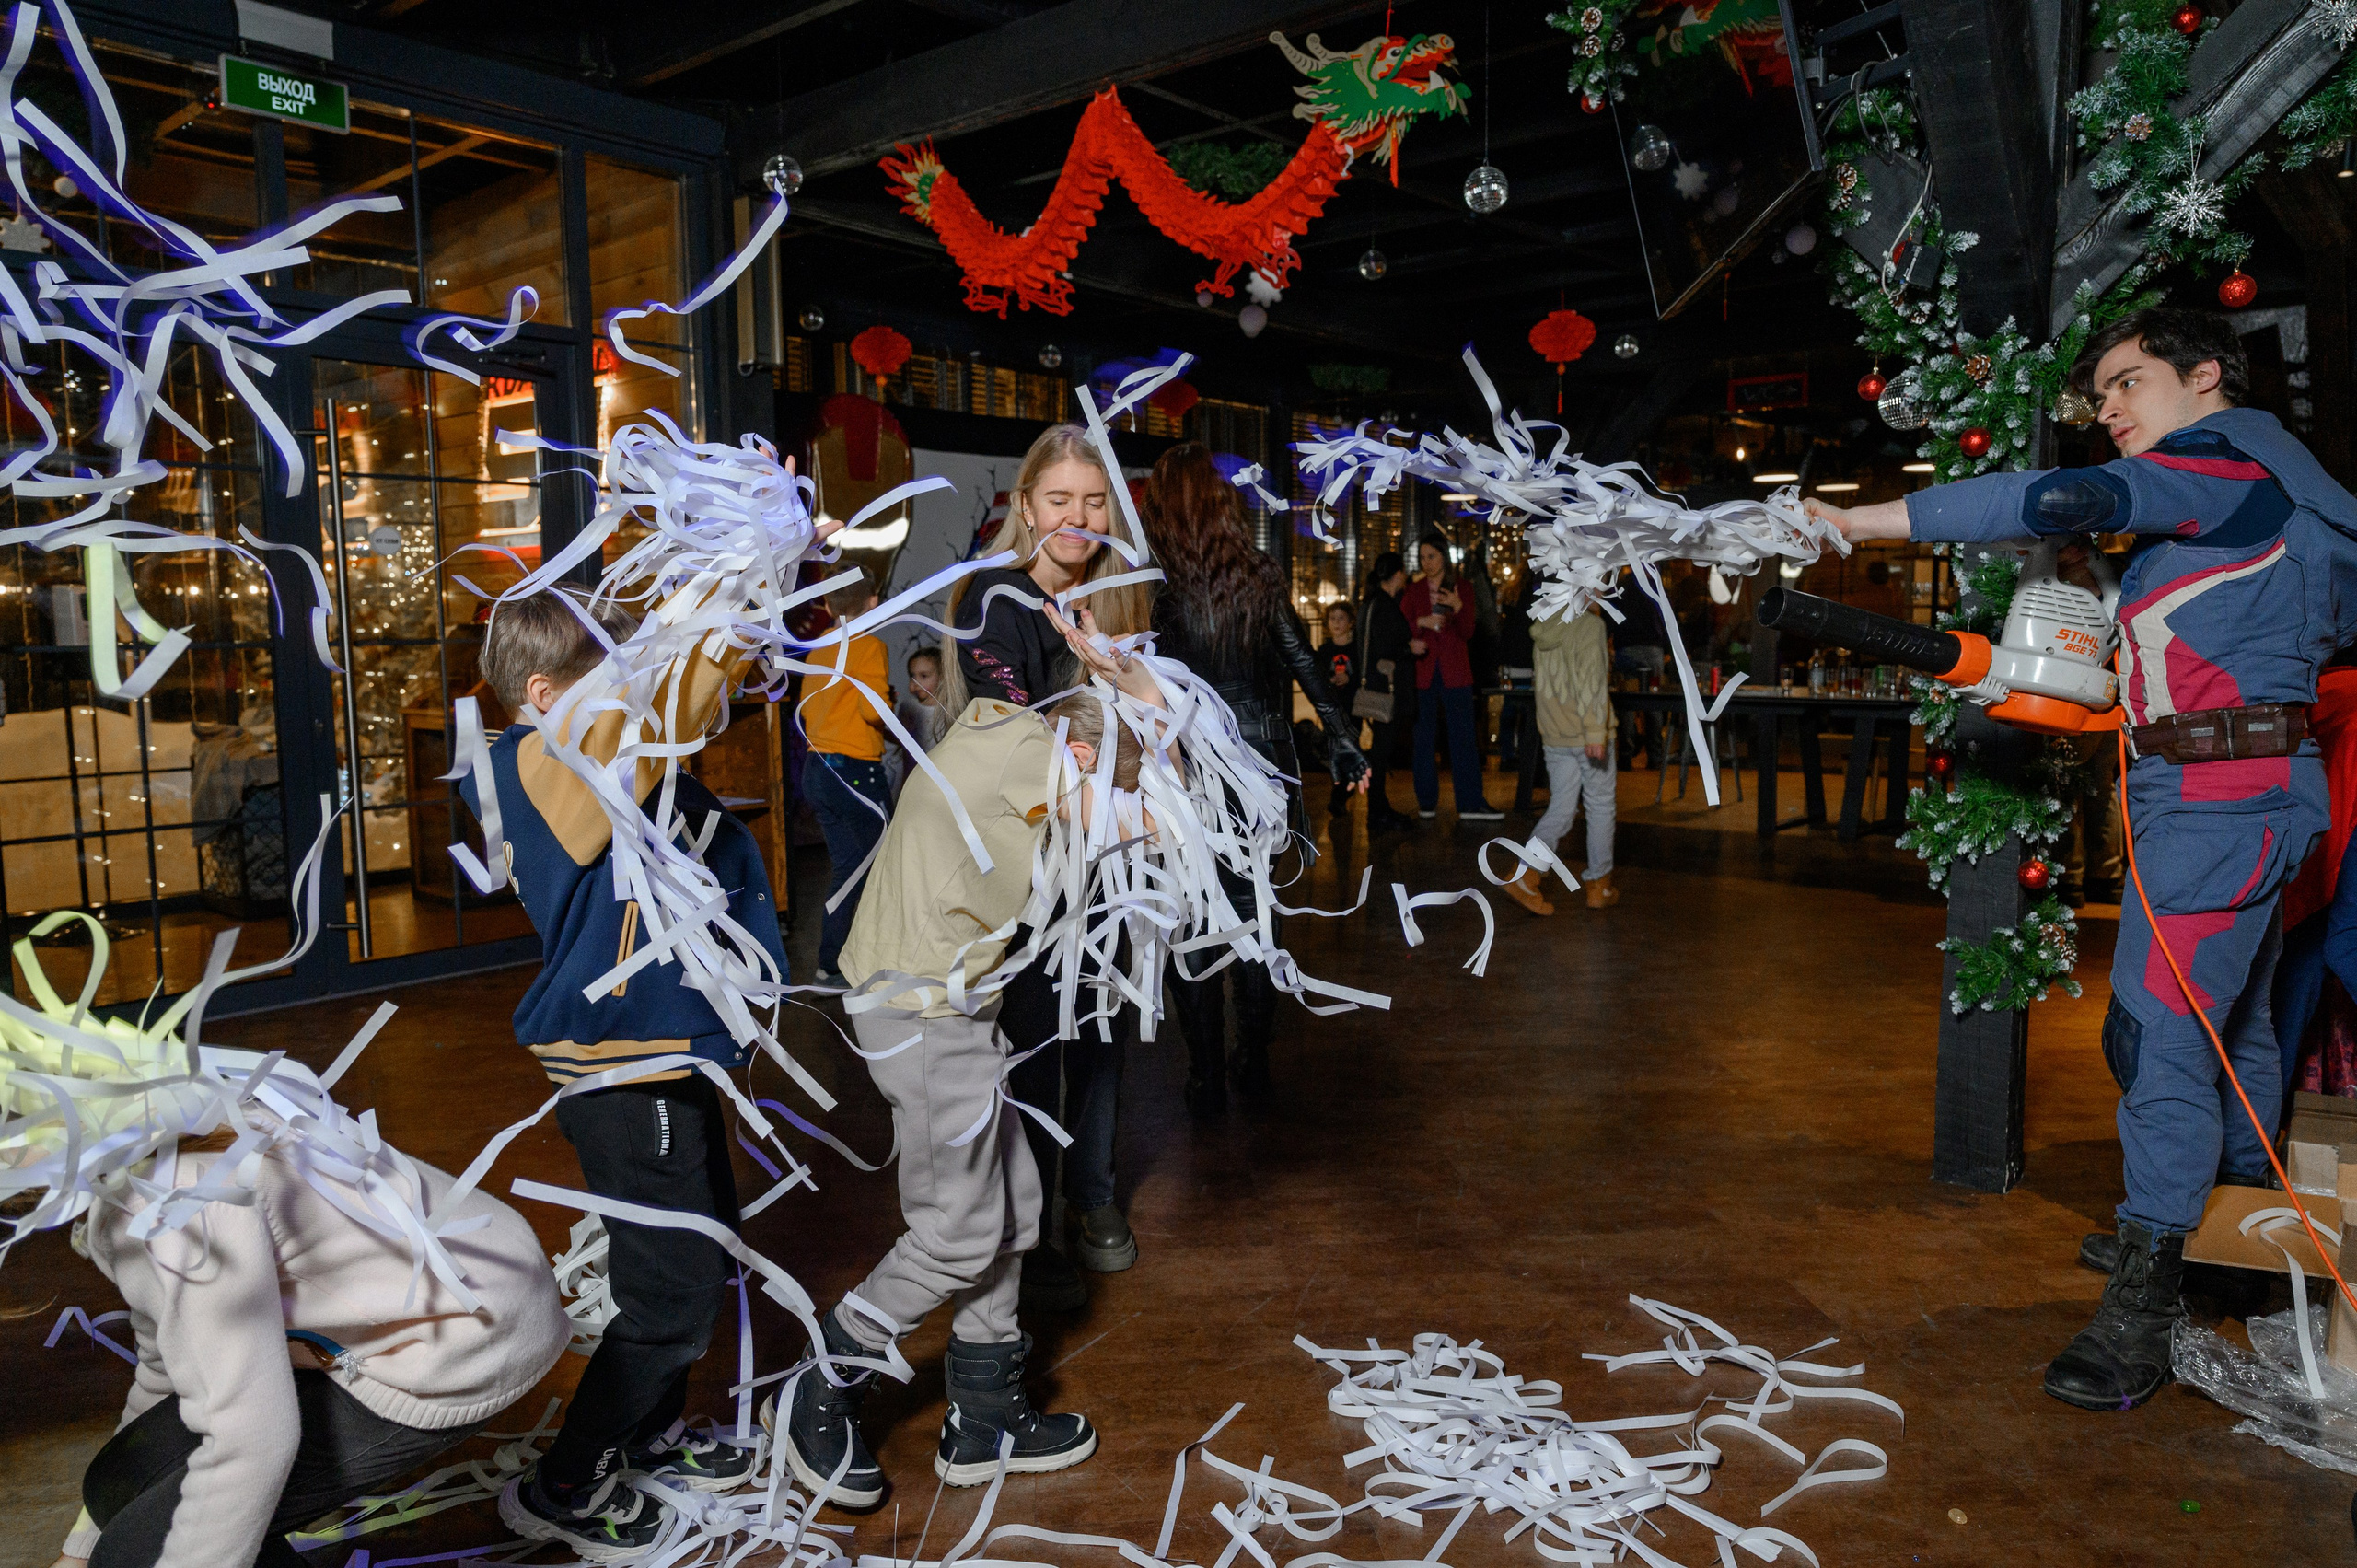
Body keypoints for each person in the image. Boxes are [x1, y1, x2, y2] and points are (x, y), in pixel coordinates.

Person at [1805, 307, 2357, 1413]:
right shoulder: (2281, 493)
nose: (2106, 408)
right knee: (2232, 1016)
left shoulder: (2221, 461)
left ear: (2206, 377)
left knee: (2152, 1031)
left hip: (2218, 798)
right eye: (2100, 392)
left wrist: (1859, 521)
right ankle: (2225, 1233)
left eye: (2127, 381)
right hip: (2224, 784)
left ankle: (2145, 1304)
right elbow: (2184, 673)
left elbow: (2056, 498)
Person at [783, 607, 1161, 1504]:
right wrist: (1145, 696)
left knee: (1012, 1200)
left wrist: (1125, 691)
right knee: (955, 1227)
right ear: (1081, 758)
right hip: (919, 1011)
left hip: (948, 1000)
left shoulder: (1006, 727)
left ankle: (984, 1413)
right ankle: (819, 1381)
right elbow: (1156, 824)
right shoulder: (1038, 753)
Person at [467, 583, 796, 1554]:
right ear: (541, 691)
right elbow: (668, 714)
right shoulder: (548, 762)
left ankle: (647, 1439)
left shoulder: (576, 750)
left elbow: (671, 716)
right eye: (603, 681)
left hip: (669, 1046)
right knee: (672, 1289)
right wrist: (727, 589)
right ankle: (570, 1479)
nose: (626, 700)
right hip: (622, 1067)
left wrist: (751, 584)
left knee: (702, 1243)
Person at [46, 1058, 569, 1568]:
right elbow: (166, 1351)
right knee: (111, 1489)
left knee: (135, 1556)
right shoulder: (139, 1139)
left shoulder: (168, 1209)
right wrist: (80, 1544)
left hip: (469, 1341)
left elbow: (254, 1443)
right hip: (472, 1282)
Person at [937, 424, 1152, 1314]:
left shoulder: (1122, 603)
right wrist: (1112, 740)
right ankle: (1030, 1221)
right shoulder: (996, 599)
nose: (1077, 517)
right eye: (1059, 500)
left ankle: (1092, 1198)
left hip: (1108, 860)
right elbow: (1019, 738)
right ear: (1026, 507)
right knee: (1029, 1041)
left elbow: (1156, 732)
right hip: (1026, 867)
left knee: (1100, 1036)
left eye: (1094, 501)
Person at [1139, 443, 1369, 1112]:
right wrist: (1345, 742)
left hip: (1189, 771)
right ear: (1221, 507)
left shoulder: (1157, 588)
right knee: (1255, 917)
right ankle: (1254, 1057)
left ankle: (1207, 1074)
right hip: (1261, 772)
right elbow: (1305, 665)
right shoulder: (1258, 575)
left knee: (1190, 923)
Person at [802, 568, 894, 983]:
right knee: (889, 862)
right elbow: (872, 710)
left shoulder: (817, 650)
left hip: (817, 770)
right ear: (873, 602)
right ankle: (884, 962)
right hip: (855, 771)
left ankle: (830, 967)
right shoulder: (869, 646)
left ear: (826, 605)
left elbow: (806, 712)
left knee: (847, 869)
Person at [1504, 603, 1619, 917]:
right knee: (1600, 805)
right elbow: (1592, 680)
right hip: (1587, 733)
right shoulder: (1591, 625)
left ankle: (1526, 874)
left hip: (1555, 734)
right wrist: (1596, 731)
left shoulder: (1545, 622)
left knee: (1561, 807)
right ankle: (1599, 885)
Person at [1400, 534, 1500, 821]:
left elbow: (1469, 632)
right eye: (1422, 557)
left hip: (1456, 671)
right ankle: (1427, 802)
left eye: (1431, 556)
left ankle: (1470, 803)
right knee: (1423, 739)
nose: (1426, 562)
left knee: (1464, 737)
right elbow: (1400, 628)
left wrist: (1458, 606)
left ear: (1444, 556)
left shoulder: (1463, 587)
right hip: (1425, 672)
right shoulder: (1414, 590)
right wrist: (1420, 623)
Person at [1357, 553, 1419, 832]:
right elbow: (1386, 648)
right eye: (1403, 572)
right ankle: (1377, 812)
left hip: (1376, 687)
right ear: (1396, 575)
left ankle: (1379, 809)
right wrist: (1410, 649)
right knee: (1381, 753)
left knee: (1380, 753)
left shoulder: (1371, 604)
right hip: (1385, 691)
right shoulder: (1383, 606)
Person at [1315, 600, 1361, 820]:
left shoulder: (1357, 649)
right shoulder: (1324, 651)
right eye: (1332, 618)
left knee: (1350, 748)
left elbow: (1362, 674)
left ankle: (1342, 794)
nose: (1336, 623)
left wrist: (1350, 679)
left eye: (1341, 618)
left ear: (1350, 622)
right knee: (1337, 750)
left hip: (1353, 706)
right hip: (1333, 708)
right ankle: (1339, 795)